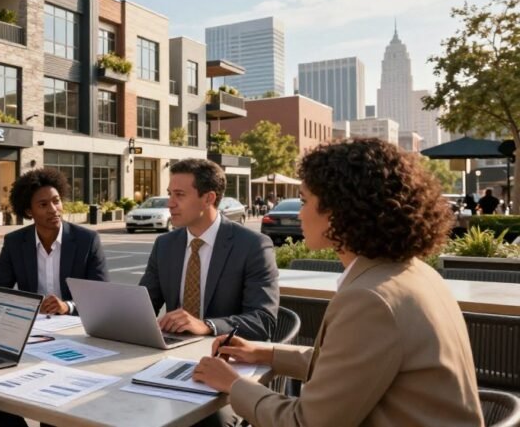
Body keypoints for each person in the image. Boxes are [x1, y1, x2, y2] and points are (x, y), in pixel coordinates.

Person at [194, 139, 483, 426]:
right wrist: (264, 352)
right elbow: (350, 365)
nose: (299, 213)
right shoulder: (413, 273)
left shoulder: (370, 299)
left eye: (305, 201)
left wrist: (233, 385)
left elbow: (305, 423)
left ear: (339, 213)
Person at [0, 167, 109, 427]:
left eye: (56, 201)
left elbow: (102, 295)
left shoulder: (87, 240)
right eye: (43, 204)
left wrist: (68, 306)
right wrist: (28, 307)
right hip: (31, 333)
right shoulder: (14, 242)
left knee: (54, 409)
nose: (53, 209)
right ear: (29, 211)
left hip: (75, 335)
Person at [140, 158, 279, 342]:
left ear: (208, 199)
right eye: (170, 194)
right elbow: (144, 307)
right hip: (172, 349)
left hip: (226, 356)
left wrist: (207, 326)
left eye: (179, 195)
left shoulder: (253, 246)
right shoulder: (164, 245)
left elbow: (262, 321)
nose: (170, 203)